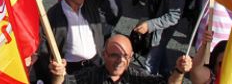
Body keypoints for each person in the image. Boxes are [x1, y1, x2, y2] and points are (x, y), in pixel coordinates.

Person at [37, 0, 136, 80]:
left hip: (96, 63)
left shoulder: (90, 0)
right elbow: (44, 49)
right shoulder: (53, 15)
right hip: (72, 70)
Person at [47, 34, 192, 84]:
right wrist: (58, 75)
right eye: (114, 55)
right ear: (104, 54)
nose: (120, 61)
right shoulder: (89, 76)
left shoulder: (138, 77)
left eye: (125, 56)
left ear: (130, 57)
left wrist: (179, 70)